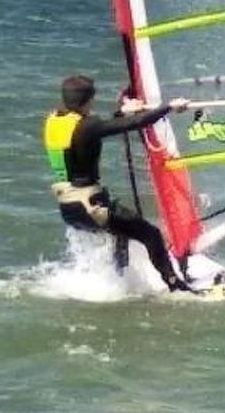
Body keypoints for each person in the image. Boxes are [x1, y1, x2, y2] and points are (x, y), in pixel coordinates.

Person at [43, 73, 193, 292]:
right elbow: (137, 122)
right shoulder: (88, 126)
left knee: (121, 230)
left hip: (69, 207)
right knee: (151, 234)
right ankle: (175, 285)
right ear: (89, 100)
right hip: (91, 205)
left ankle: (118, 281)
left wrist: (122, 112)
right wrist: (169, 107)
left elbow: (95, 130)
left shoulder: (54, 120)